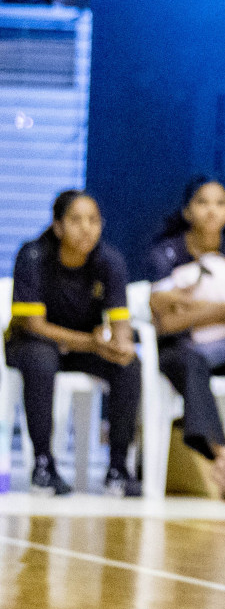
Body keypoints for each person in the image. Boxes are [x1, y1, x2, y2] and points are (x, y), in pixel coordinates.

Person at [148, 177, 225, 502]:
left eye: (220, 203)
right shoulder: (166, 252)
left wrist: (192, 305)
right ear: (188, 210)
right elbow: (166, 321)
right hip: (182, 347)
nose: (211, 211)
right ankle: (224, 458)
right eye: (203, 203)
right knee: (189, 365)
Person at [6, 190, 141, 496]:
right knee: (42, 359)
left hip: (83, 348)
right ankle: (43, 465)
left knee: (129, 366)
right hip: (32, 343)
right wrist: (91, 343)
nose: (86, 228)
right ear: (58, 226)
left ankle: (118, 468)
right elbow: (34, 325)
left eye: (93, 220)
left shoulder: (109, 260)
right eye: (76, 220)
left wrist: (122, 346)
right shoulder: (33, 256)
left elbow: (120, 321)